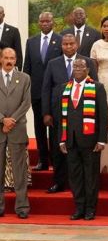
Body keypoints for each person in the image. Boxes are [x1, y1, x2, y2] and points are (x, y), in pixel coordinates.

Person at [41, 33, 98, 193]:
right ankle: (59, 182)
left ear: (77, 44)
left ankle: (81, 184)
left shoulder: (87, 62)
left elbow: (95, 86)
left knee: (79, 149)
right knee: (57, 149)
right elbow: (46, 89)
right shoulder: (53, 64)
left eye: (71, 43)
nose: (68, 46)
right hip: (58, 114)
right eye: (65, 44)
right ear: (61, 45)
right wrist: (46, 113)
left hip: (81, 116)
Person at [55, 58, 108, 221]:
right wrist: (61, 140)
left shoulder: (97, 87)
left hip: (90, 140)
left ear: (88, 70)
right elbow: (60, 117)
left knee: (91, 176)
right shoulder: (65, 88)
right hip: (70, 140)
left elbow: (103, 116)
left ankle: (90, 209)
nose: (77, 68)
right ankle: (79, 207)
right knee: (75, 176)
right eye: (75, 66)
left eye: (81, 66)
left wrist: (101, 140)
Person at [25, 11, 61, 174]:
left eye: (48, 21)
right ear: (39, 23)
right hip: (37, 93)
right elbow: (27, 68)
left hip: (55, 94)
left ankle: (56, 159)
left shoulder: (61, 41)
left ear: (53, 22)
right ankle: (42, 160)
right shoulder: (31, 42)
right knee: (39, 128)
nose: (45, 23)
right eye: (42, 21)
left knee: (54, 129)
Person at [0, 47, 31, 218]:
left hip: (17, 128)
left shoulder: (24, 78)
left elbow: (26, 103)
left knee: (19, 171)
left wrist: (11, 121)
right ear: (1, 59)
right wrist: (2, 120)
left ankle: (22, 207)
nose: (9, 61)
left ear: (16, 59)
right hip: (0, 128)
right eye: (6, 57)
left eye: (12, 57)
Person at [0, 7, 22, 71]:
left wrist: (17, 69)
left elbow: (18, 52)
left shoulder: (13, 31)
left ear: (3, 15)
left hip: (8, 68)